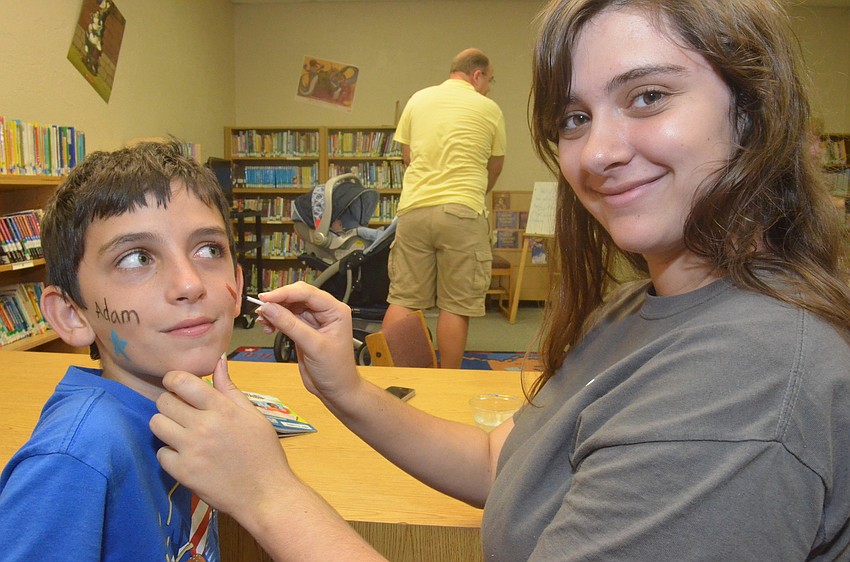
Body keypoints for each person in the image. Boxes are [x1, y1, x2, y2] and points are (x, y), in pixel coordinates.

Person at [150, 0, 850, 560]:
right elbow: (502, 462)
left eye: (647, 97)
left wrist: (267, 495)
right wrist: (347, 389)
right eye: (575, 118)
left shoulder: (743, 384)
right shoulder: (639, 306)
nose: (598, 151)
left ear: (754, 114)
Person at [0, 141, 242, 561]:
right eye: (135, 258)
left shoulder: (190, 412)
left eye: (209, 250)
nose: (189, 284)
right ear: (73, 316)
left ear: (237, 286)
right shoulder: (74, 460)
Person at [383, 47, 507, 368]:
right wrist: (477, 192)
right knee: (455, 305)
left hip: (414, 210)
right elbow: (495, 166)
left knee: (404, 300)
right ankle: (447, 379)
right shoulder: (488, 108)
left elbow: (408, 158)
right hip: (462, 211)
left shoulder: (417, 99)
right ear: (477, 75)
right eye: (489, 80)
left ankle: (391, 377)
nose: (489, 87)